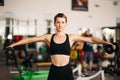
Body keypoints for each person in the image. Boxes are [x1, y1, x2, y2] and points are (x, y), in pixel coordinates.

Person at [7, 13, 114, 80]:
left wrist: (107, 43)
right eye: (58, 22)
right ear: (54, 23)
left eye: (62, 22)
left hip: (66, 71)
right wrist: (13, 44)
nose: (60, 25)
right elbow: (30, 39)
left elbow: (91, 39)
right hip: (54, 71)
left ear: (66, 24)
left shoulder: (71, 37)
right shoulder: (48, 37)